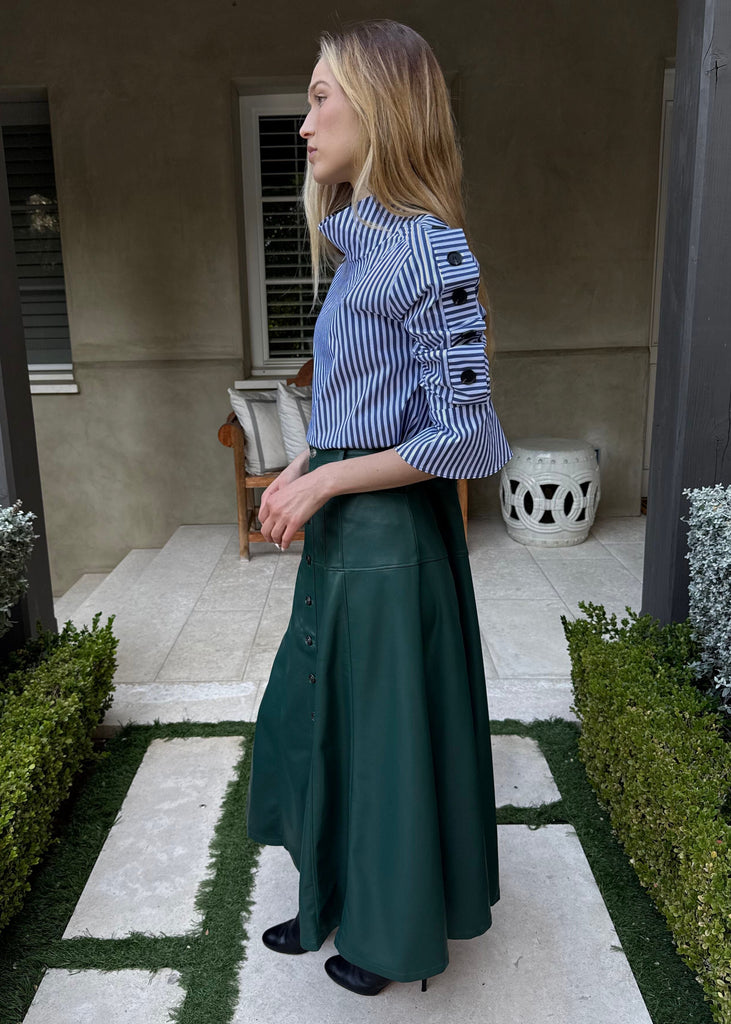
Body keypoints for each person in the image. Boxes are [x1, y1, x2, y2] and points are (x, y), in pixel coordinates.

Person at [245, 18, 512, 997]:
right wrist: (303, 464)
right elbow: (364, 405)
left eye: (321, 98)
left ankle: (386, 936)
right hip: (345, 531)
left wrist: (324, 481)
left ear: (381, 108)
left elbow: (464, 434)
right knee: (318, 716)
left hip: (391, 545)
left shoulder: (429, 250)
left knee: (385, 744)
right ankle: (329, 895)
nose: (304, 123)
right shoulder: (357, 248)